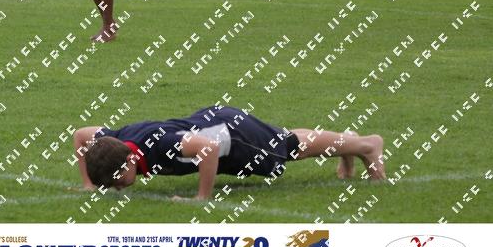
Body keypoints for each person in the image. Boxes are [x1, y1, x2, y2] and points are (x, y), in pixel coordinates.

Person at [73, 105, 386, 200]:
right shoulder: (116, 140)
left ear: (130, 159)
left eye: (116, 180)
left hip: (232, 136)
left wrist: (202, 197)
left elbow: (207, 148)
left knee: (291, 148)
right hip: (215, 121)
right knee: (287, 140)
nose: (116, 187)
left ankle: (367, 146)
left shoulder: (161, 147)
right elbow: (81, 135)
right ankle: (348, 143)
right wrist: (88, 183)